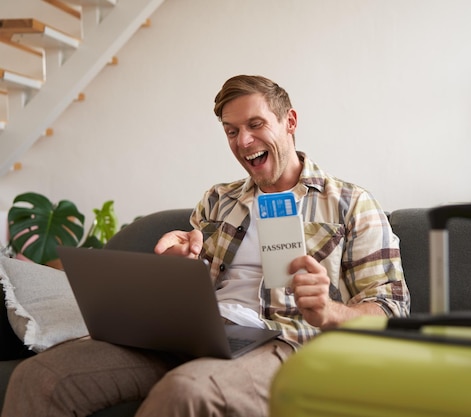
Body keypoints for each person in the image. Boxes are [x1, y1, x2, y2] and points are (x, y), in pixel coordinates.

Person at [1, 75, 410, 417]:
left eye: (255, 124)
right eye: (231, 131)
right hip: (194, 334)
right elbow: (190, 285)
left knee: (187, 393)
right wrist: (177, 268)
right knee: (41, 377)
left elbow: (391, 310)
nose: (244, 141)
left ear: (290, 121)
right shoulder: (219, 199)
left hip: (284, 341)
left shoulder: (351, 202)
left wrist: (328, 310)